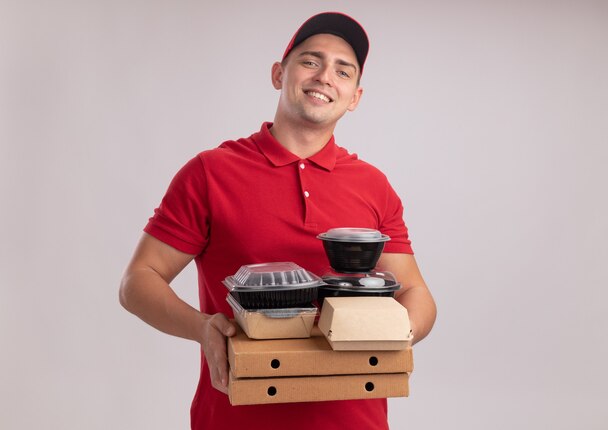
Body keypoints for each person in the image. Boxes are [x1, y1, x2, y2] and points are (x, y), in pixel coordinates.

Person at [119, 11, 436, 430]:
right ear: (278, 73)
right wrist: (203, 328)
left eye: (343, 70)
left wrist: (392, 332)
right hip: (233, 418)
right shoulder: (210, 173)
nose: (325, 76)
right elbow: (138, 281)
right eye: (310, 61)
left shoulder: (373, 185)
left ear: (354, 96)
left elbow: (416, 293)